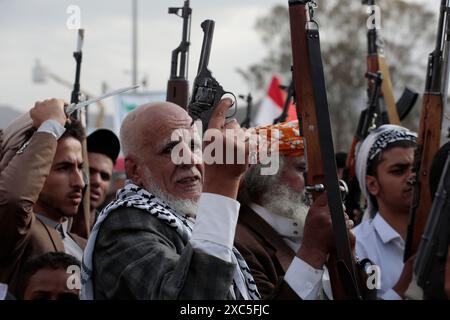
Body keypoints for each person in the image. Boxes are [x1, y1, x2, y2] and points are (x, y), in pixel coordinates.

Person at [235, 121, 353, 299]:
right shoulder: (238, 243)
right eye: (303, 169)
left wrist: (347, 254)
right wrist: (314, 251)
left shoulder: (305, 229)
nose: (319, 184)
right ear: (266, 175)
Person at [0, 99, 86, 295]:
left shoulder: (85, 245)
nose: (80, 182)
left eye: (80, 167)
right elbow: (13, 199)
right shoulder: (17, 236)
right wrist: (50, 128)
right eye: (64, 168)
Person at [353, 124, 417, 299]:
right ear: (373, 184)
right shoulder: (357, 246)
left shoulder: (440, 235)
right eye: (398, 171)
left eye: (416, 168)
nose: (412, 176)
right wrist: (403, 286)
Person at [71, 128, 120, 238]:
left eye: (104, 176)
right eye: (90, 171)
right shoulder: (52, 227)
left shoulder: (112, 237)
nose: (97, 181)